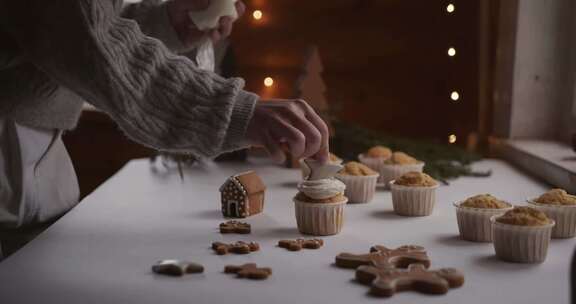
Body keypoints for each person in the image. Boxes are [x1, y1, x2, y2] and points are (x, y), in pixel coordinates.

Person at [0, 0, 329, 258]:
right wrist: (231, 112)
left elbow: (74, 25)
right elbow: (87, 37)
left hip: (40, 150)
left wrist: (165, 24)